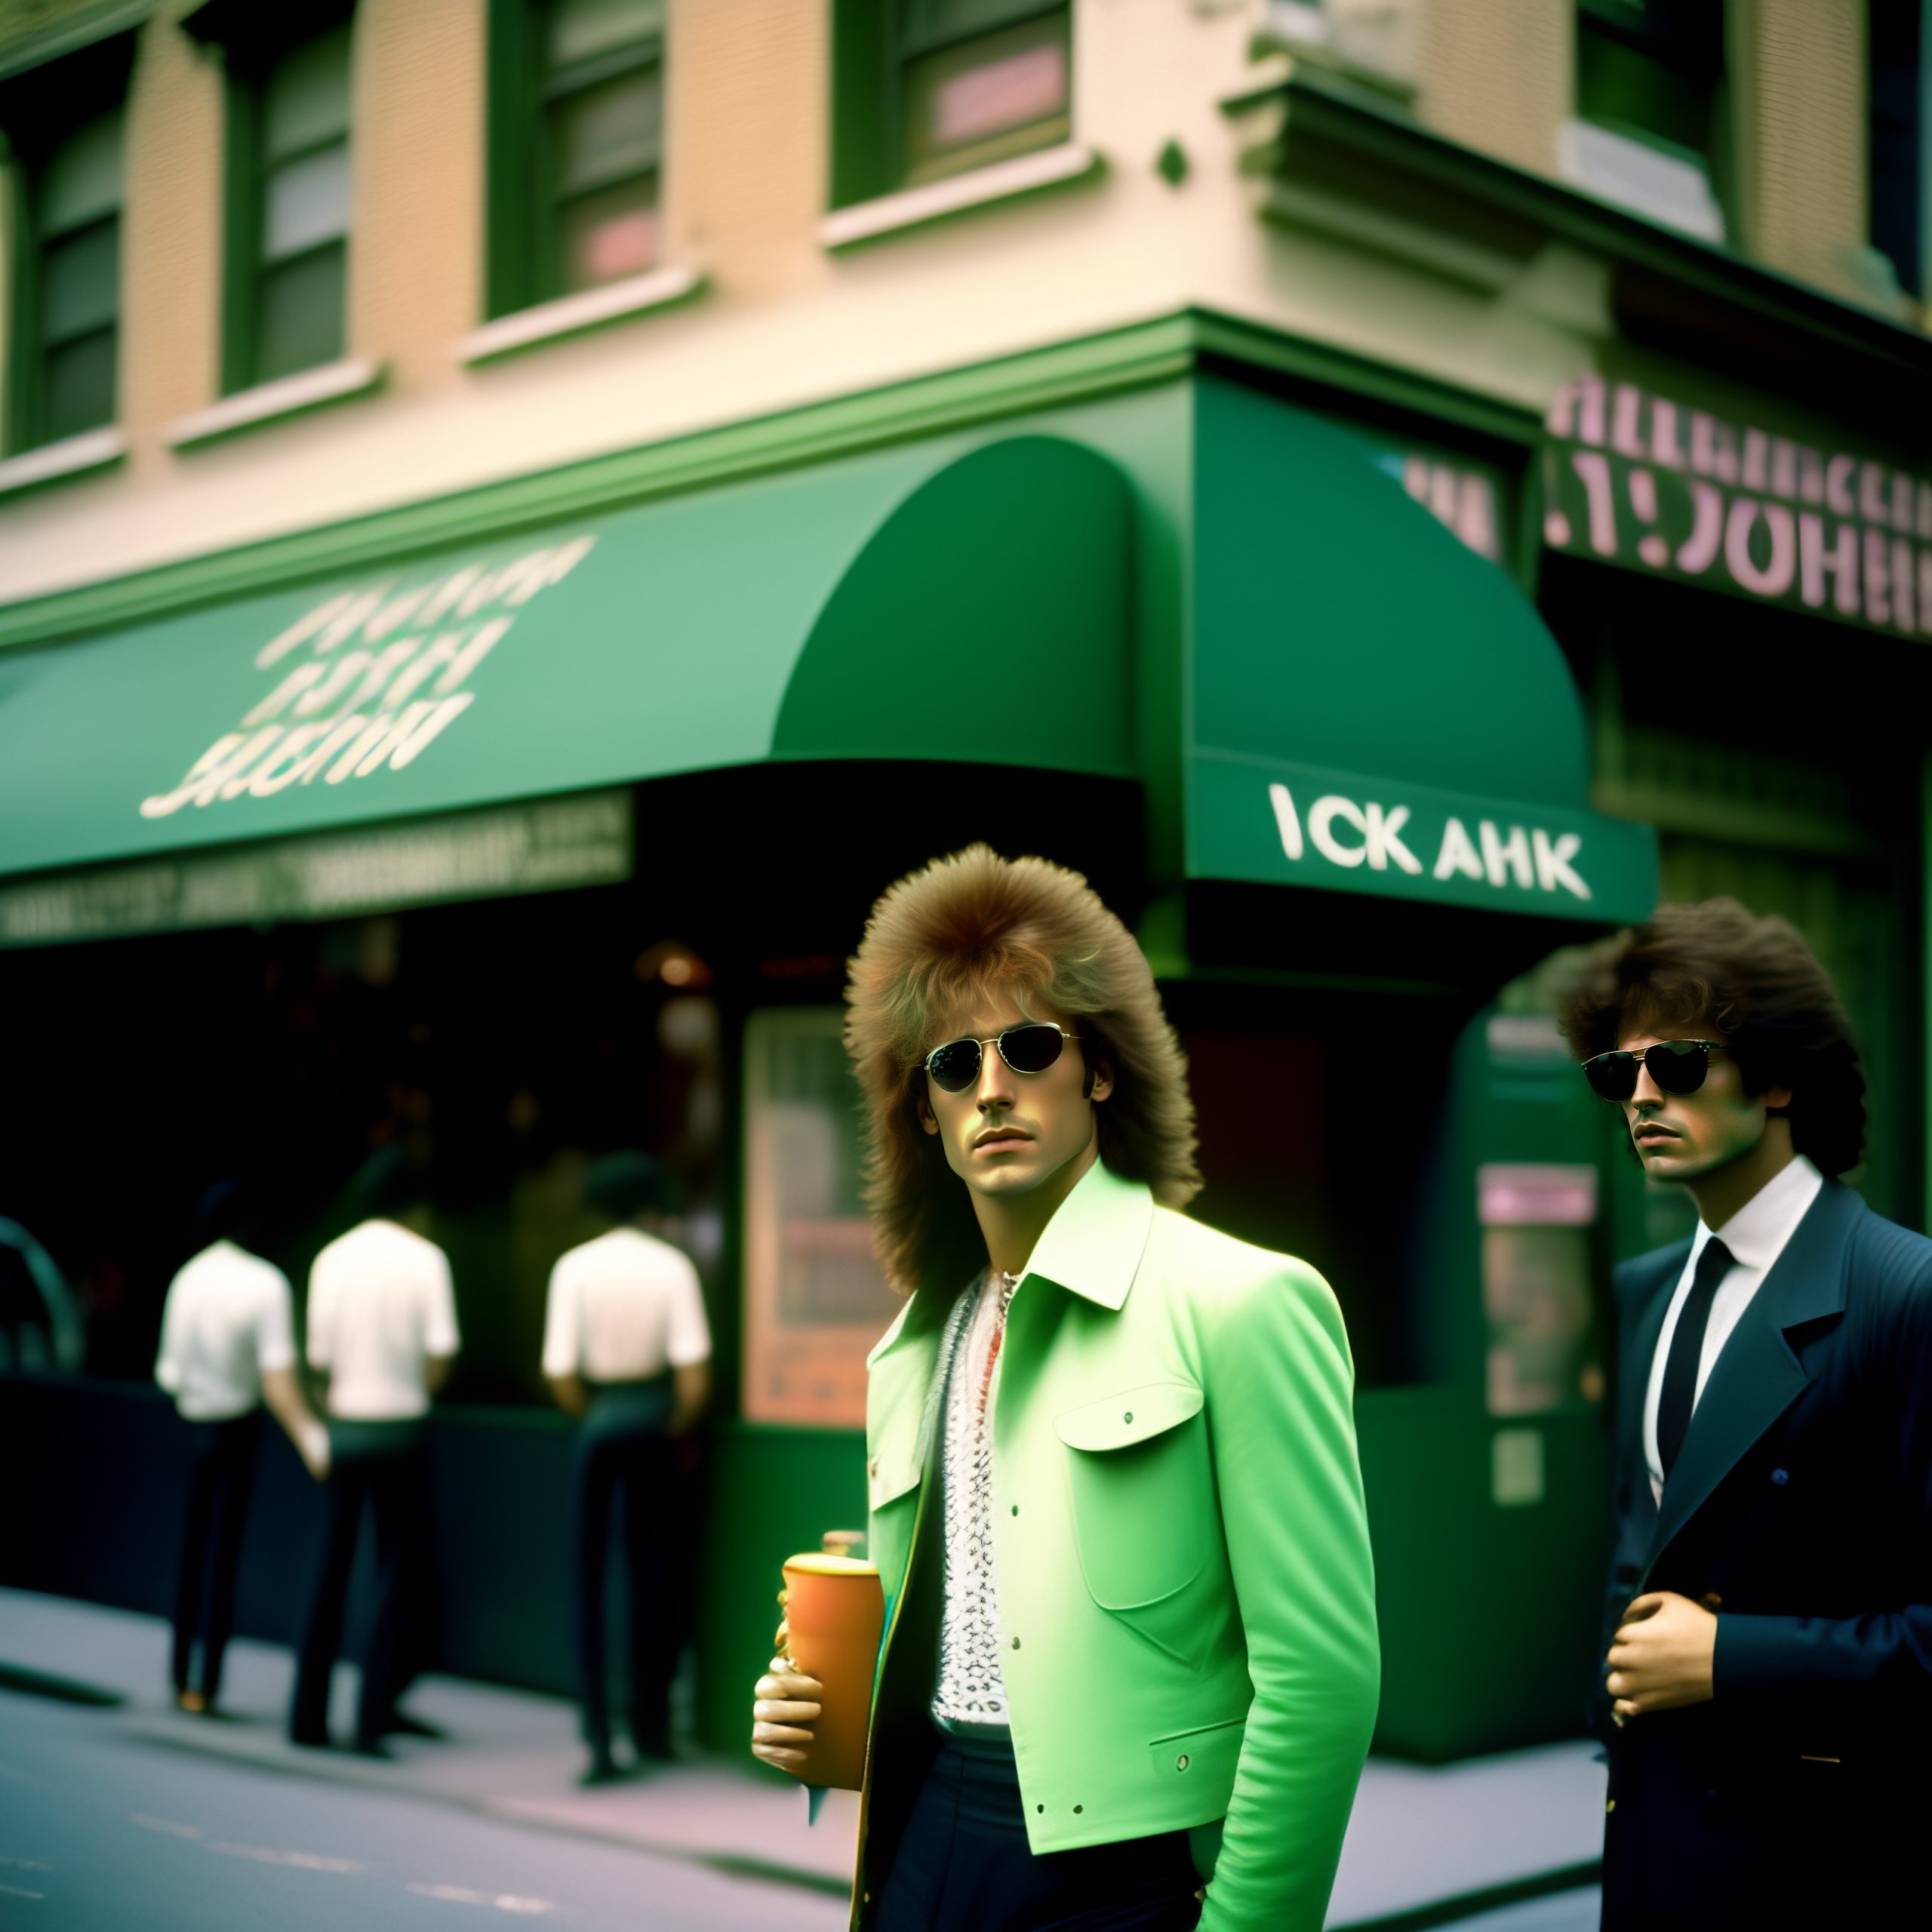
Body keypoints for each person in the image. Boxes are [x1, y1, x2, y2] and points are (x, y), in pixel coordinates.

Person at [751, 847, 1379, 1932]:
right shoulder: (913, 1345)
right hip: (921, 1841)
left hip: (1125, 1877)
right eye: (953, 1065)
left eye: (1030, 1047)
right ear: (923, 1113)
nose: (991, 1086)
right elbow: (945, 1640)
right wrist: (821, 1726)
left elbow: (1321, 1680)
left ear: (1098, 1070)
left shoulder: (1243, 1302)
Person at [1560, 899, 1932, 1930]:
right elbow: (1645, 1545)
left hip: (1821, 1856)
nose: (1639, 1094)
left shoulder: (1904, 1292)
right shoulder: (1645, 1289)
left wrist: (1728, 1656)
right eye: (1614, 1072)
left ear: (1777, 1076)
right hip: (1650, 1836)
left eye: (1675, 1063)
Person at [543, 1151, 712, 1782]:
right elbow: (694, 1378)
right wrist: (668, 1429)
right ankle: (653, 1725)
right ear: (648, 1204)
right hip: (653, 1418)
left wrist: (594, 1418)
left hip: (600, 1421)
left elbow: (560, 1373)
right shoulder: (671, 1266)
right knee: (654, 1575)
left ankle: (597, 1735)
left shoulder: (574, 1268)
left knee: (589, 1577)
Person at [289, 1148, 458, 1755]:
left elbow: (318, 1360)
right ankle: (372, 1716)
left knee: (329, 1568)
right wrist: (413, 1389)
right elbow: (440, 1355)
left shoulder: (331, 1258)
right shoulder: (427, 1260)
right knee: (396, 1571)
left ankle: (305, 1717)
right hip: (402, 1429)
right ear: (414, 1204)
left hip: (345, 1426)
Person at [155, 1181, 330, 1715]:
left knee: (192, 1552)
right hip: (237, 1427)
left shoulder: (188, 1279)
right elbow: (277, 1376)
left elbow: (169, 1371)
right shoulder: (264, 1283)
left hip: (196, 1424)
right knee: (223, 1556)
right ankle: (207, 1682)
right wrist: (312, 1437)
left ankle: (180, 1672)